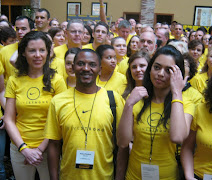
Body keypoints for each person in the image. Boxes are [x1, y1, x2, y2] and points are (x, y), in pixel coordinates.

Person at [44, 49, 125, 180]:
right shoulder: (58, 101)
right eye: (80, 63)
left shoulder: (114, 100)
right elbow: (54, 144)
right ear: (72, 67)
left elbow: (122, 146)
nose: (86, 68)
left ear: (100, 69)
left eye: (92, 64)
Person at [117, 45, 194, 179]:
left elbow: (177, 137)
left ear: (178, 74)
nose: (160, 74)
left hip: (167, 176)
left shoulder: (185, 103)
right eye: (157, 67)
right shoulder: (136, 99)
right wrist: (129, 104)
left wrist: (177, 92)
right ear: (150, 69)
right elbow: (123, 142)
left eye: (169, 70)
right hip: (134, 175)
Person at [4, 31, 67, 180]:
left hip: (49, 149)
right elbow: (8, 119)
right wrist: (25, 149)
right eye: (32, 50)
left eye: (42, 50)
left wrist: (38, 150)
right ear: (24, 53)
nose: (37, 55)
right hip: (20, 147)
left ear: (48, 52)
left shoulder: (57, 81)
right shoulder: (14, 80)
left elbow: (59, 121)